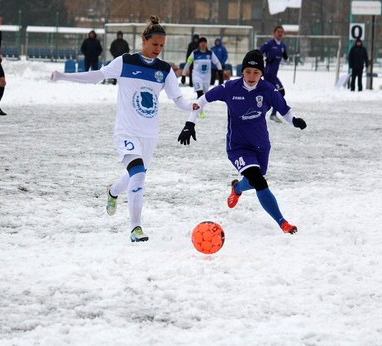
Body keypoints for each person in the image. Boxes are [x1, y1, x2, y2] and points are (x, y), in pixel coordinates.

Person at [51, 16, 193, 242]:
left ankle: (113, 191)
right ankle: (136, 228)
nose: (158, 49)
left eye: (161, 46)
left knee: (135, 175)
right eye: (154, 44)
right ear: (143, 40)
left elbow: (178, 99)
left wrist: (192, 106)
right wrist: (64, 76)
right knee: (138, 175)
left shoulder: (164, 70)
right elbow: (97, 76)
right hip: (126, 132)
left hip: (149, 135)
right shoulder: (125, 62)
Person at [177, 50, 307, 234]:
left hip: (262, 145)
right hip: (238, 147)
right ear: (242, 71)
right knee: (259, 182)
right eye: (247, 72)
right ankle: (283, 223)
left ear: (261, 73)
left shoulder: (268, 89)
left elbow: (284, 110)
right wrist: (190, 123)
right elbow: (202, 100)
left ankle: (237, 188)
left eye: (256, 72)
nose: (251, 76)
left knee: (255, 180)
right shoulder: (230, 88)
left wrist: (294, 121)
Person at [182, 37, 222, 118]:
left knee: (203, 96)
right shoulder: (194, 53)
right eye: (201, 42)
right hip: (197, 76)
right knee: (199, 93)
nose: (203, 44)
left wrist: (220, 70)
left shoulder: (210, 53)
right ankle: (199, 112)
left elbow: (217, 62)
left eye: (204, 42)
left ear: (206, 44)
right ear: (199, 44)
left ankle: (200, 109)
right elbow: (188, 64)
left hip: (206, 78)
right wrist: (183, 75)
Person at [260, 25, 289, 123]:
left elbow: (285, 56)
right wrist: (265, 59)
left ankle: (268, 113)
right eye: (278, 32)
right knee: (280, 92)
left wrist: (285, 56)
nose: (280, 33)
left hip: (274, 75)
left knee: (270, 95)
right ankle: (271, 114)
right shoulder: (268, 44)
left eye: (282, 32)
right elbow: (258, 53)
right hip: (268, 74)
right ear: (274, 33)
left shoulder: (282, 46)